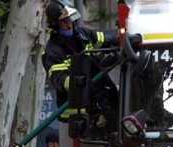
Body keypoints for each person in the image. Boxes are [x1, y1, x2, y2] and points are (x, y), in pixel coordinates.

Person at [42, 0, 140, 139]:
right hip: (80, 108)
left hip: (99, 92)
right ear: (54, 25)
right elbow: (59, 80)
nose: (69, 24)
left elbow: (105, 39)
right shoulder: (53, 51)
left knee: (121, 119)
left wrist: (126, 40)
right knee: (112, 131)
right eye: (64, 22)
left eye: (70, 19)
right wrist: (78, 81)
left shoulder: (81, 34)